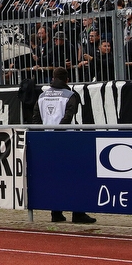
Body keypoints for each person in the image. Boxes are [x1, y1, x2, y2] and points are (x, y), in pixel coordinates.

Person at [33, 68, 95, 224]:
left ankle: (56, 213)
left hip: (47, 141)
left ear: (53, 78)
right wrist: (59, 132)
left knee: (54, 177)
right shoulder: (70, 95)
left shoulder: (41, 96)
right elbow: (69, 116)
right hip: (66, 140)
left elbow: (35, 118)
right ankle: (78, 213)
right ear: (67, 80)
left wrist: (46, 135)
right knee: (75, 177)